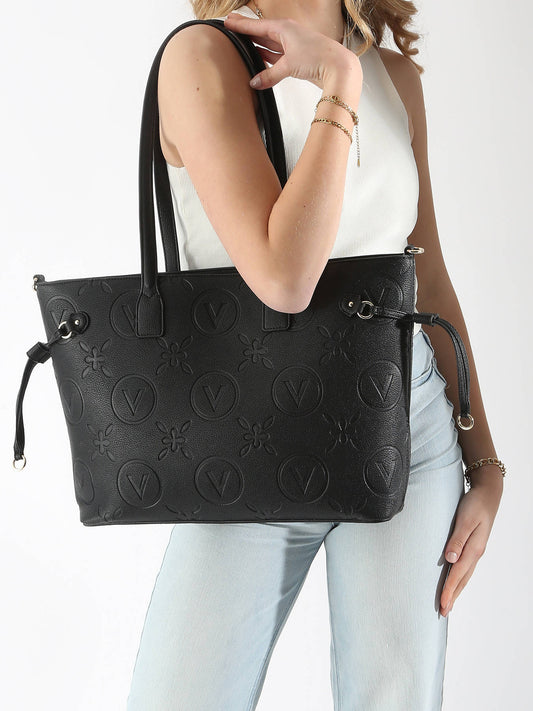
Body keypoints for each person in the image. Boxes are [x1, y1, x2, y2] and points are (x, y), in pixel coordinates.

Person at [126, 2, 504, 709]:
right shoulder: (205, 58)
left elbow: (426, 277)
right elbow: (285, 278)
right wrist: (338, 82)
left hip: (408, 437)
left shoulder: (394, 76)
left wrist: (483, 463)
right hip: (249, 443)